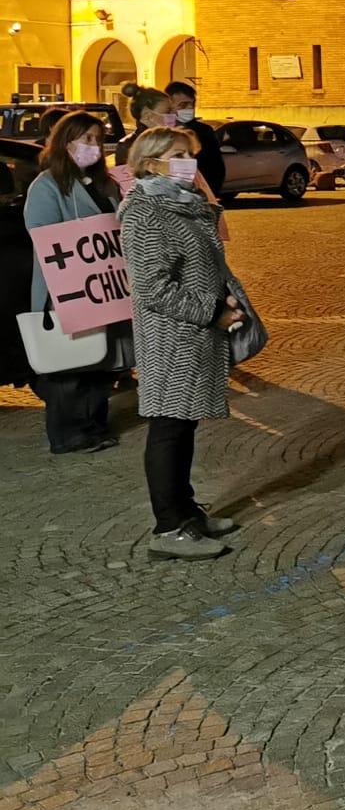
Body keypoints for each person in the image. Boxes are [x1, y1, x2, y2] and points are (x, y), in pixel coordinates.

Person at [118, 126, 244, 560]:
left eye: (190, 152)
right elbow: (152, 288)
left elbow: (197, 267)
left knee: (184, 424)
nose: (189, 160)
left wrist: (223, 296)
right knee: (169, 427)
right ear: (151, 163)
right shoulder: (146, 213)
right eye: (178, 153)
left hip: (194, 335)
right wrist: (213, 310)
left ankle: (188, 512)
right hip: (172, 337)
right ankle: (168, 527)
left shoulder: (184, 205)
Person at [22, 112, 132, 454]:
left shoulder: (106, 183)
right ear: (65, 142)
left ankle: (94, 423)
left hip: (104, 289)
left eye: (98, 140)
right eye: (86, 139)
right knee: (71, 365)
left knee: (102, 359)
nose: (94, 146)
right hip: (68, 290)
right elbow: (42, 233)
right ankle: (69, 433)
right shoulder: (47, 185)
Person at [165, 81, 226, 198]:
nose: (189, 108)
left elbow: (216, 165)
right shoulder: (161, 132)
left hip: (201, 193)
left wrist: (210, 192)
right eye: (183, 105)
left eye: (192, 104)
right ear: (169, 106)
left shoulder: (204, 131)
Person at [116, 82, 178, 168]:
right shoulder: (128, 145)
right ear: (147, 115)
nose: (174, 115)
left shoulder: (175, 140)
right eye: (167, 111)